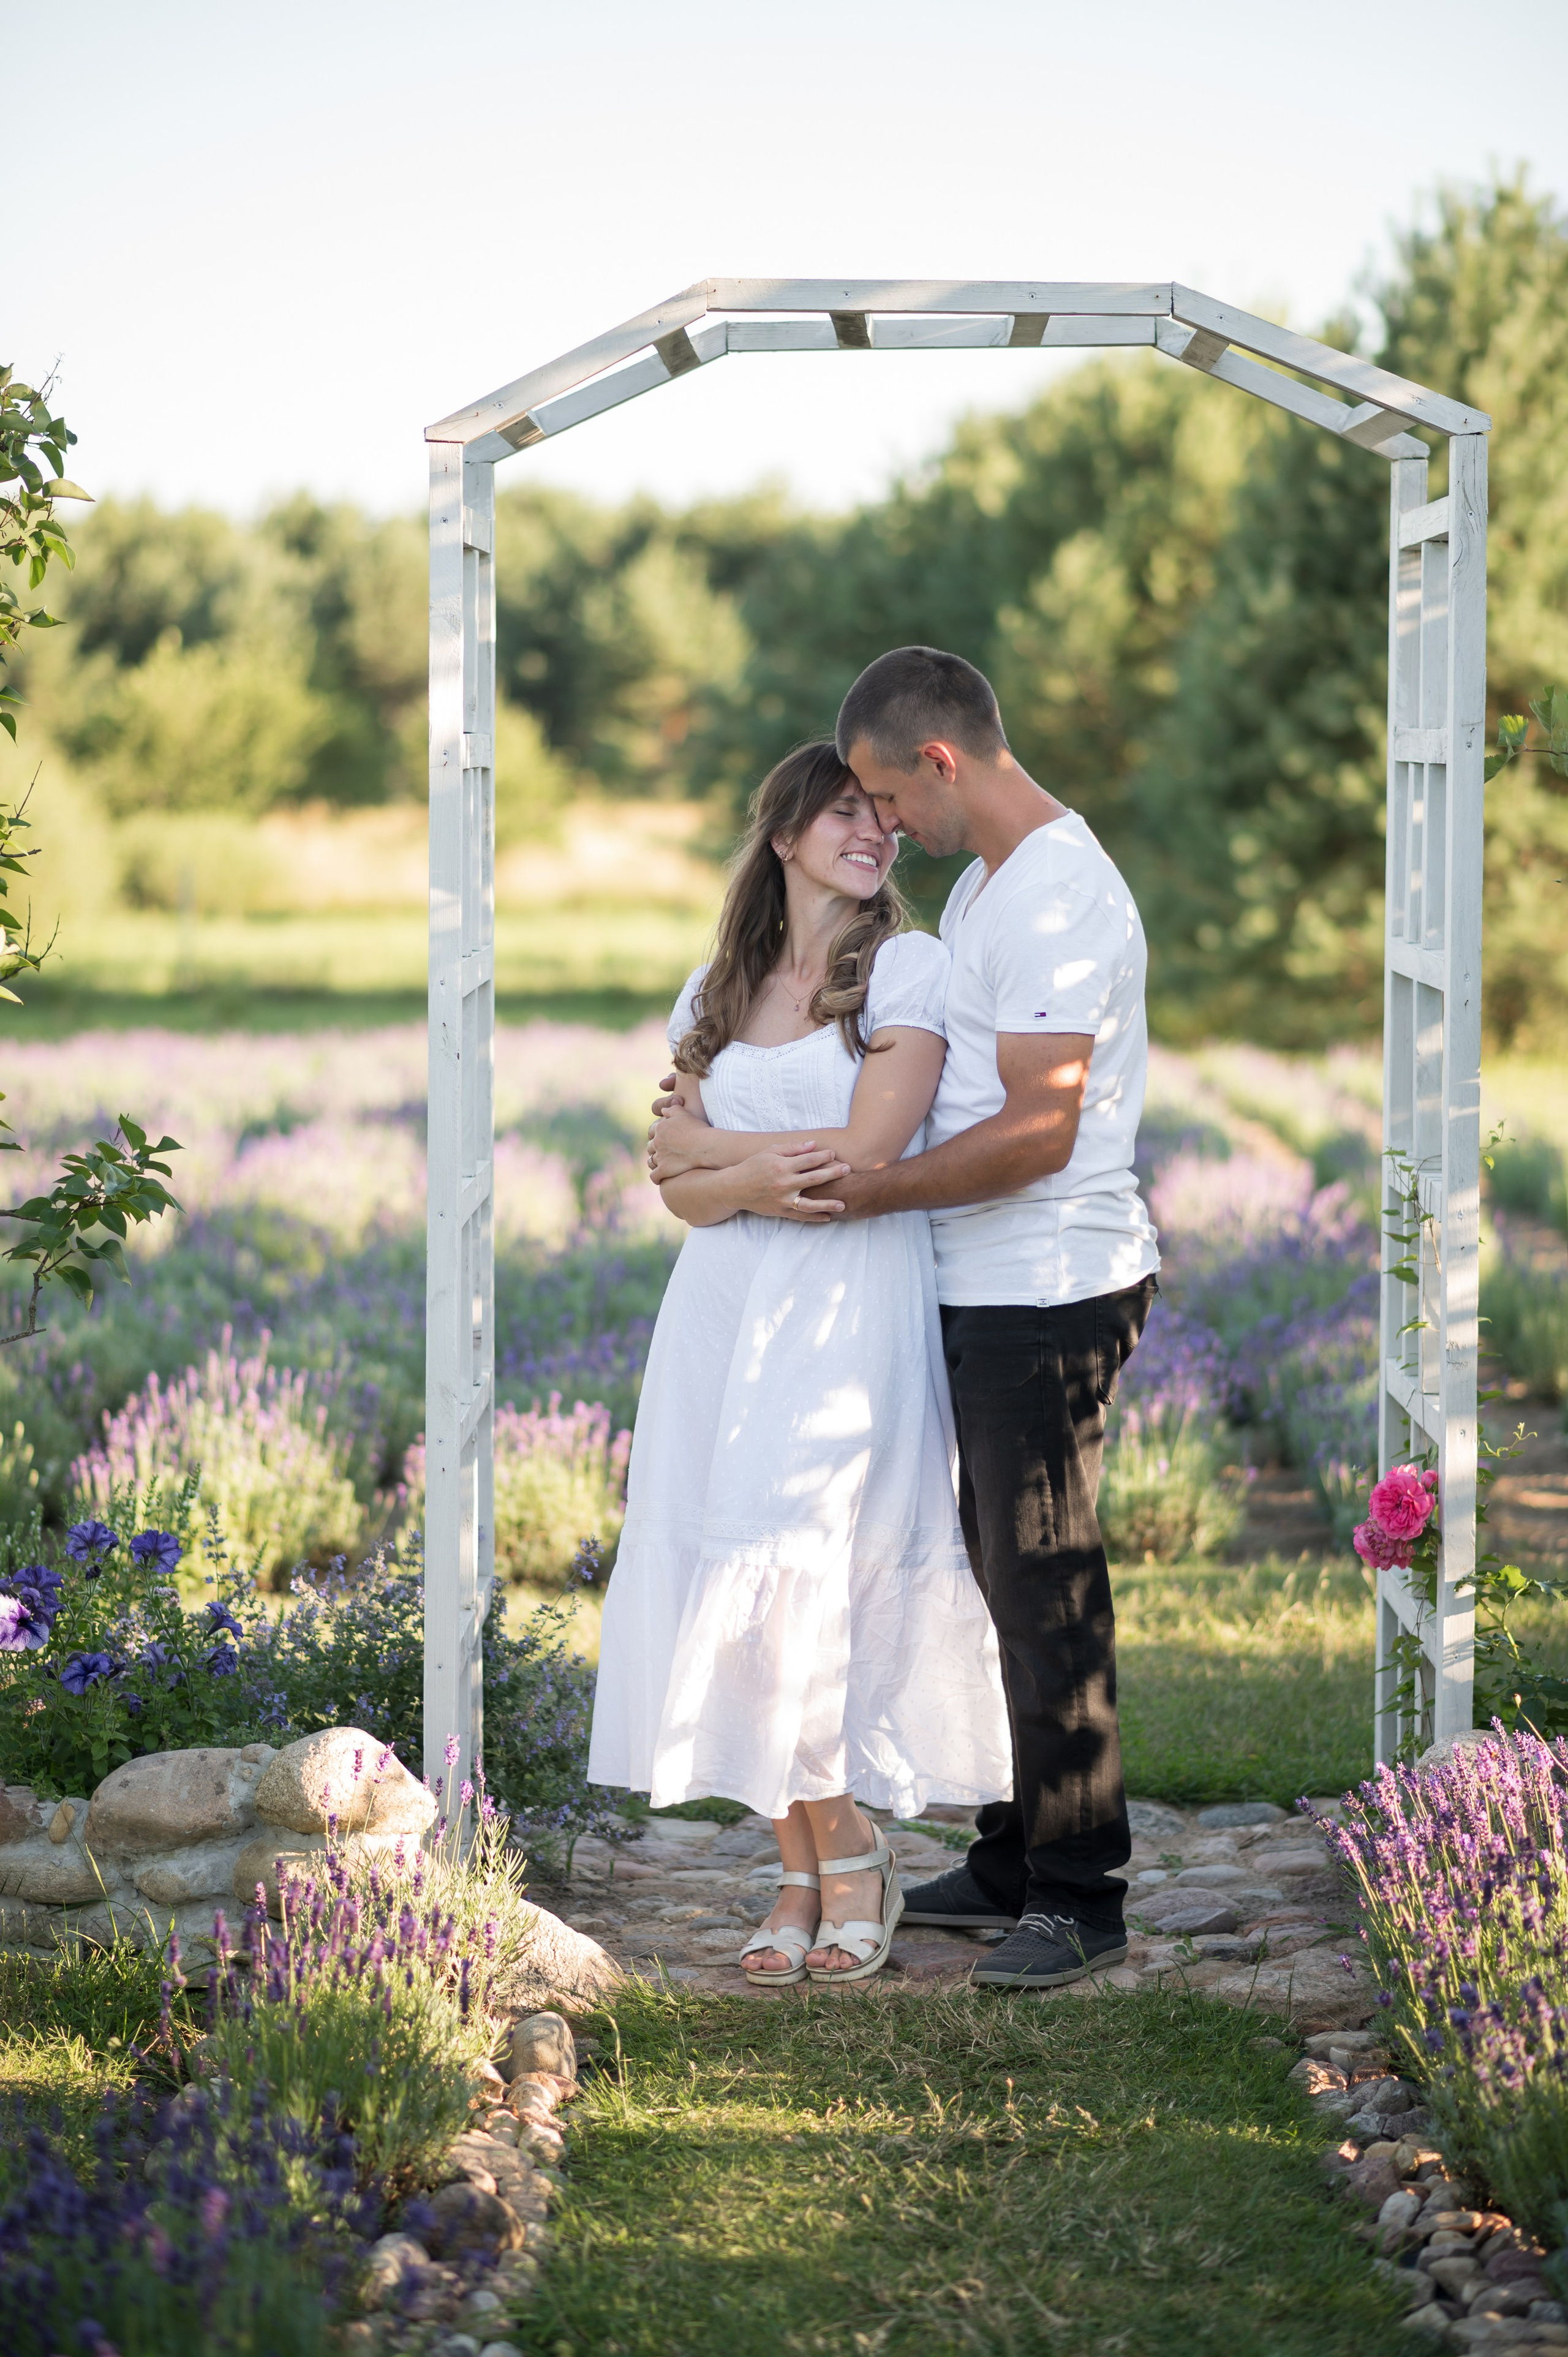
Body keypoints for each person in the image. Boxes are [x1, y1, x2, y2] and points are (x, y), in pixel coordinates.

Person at [587, 739, 1011, 1987]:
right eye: (843, 814)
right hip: (721, 1307)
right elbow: (668, 1183)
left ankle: (857, 1853)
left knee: (804, 1565)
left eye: (881, 814)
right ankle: (799, 1865)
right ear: (781, 836)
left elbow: (868, 1152)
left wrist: (738, 1168)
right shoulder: (711, 991)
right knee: (731, 1566)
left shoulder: (905, 970)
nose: (872, 833)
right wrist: (748, 1175)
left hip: (844, 1311)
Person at [812, 644, 1161, 1991]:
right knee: (995, 1574)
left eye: (888, 796)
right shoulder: (981, 886)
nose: (882, 824)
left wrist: (875, 1192)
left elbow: (1036, 1130)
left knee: (1044, 1580)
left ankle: (1080, 1894)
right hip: (983, 1277)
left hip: (1047, 1282)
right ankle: (1016, 1851)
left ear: (940, 760)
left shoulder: (1058, 897)